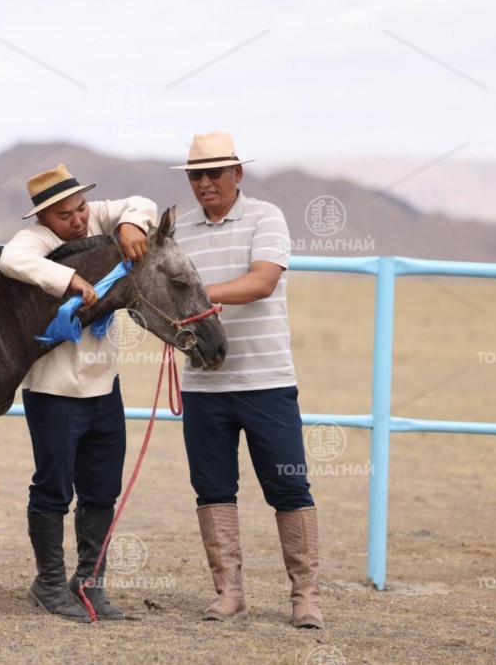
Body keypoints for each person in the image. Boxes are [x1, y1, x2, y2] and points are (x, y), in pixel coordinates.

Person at [170, 132, 323, 629]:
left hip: (266, 381)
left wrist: (196, 295)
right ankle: (229, 594)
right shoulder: (178, 231)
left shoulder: (266, 217)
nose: (204, 181)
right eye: (196, 174)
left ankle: (305, 598)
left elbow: (263, 281)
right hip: (203, 384)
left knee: (289, 486)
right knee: (212, 488)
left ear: (237, 173)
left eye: (214, 172)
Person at [0, 163, 155, 621]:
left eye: (81, 208)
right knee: (53, 488)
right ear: (43, 218)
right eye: (64, 215)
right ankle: (48, 584)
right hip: (53, 388)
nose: (79, 220)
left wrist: (131, 224)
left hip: (105, 384)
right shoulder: (34, 241)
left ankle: (89, 584)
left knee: (102, 489)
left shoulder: (99, 218)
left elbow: (141, 203)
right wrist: (69, 279)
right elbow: (12, 260)